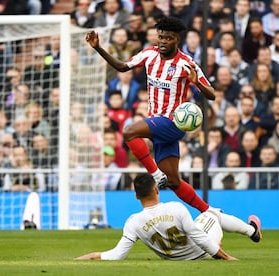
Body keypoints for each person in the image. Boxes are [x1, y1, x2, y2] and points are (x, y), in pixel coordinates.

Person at [86, 16, 215, 213]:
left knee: (129, 131)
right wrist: (98, 48)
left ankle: (155, 173)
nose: (163, 41)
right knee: (173, 181)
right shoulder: (149, 55)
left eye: (168, 38)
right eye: (161, 37)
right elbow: (122, 66)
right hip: (157, 123)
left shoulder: (186, 63)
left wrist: (196, 82)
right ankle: (210, 212)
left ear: (177, 40)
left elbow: (211, 94)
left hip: (173, 123)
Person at [75, 173, 262, 261]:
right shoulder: (176, 208)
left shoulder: (133, 222)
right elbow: (199, 237)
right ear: (157, 189)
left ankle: (247, 232)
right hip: (203, 254)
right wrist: (226, 257)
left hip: (175, 259)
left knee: (201, 224)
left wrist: (89, 257)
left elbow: (117, 255)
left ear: (136, 196)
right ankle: (253, 232)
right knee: (212, 213)